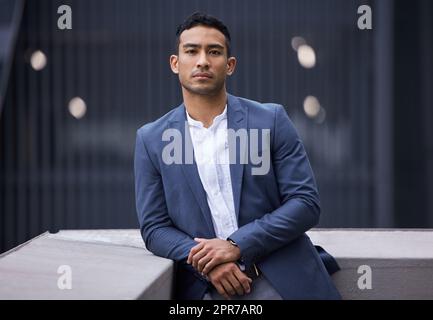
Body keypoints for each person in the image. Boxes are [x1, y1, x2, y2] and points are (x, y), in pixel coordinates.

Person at [134, 12, 341, 300]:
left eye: (214, 51)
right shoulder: (151, 139)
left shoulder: (271, 120)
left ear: (229, 65)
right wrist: (208, 263)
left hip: (283, 278)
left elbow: (305, 203)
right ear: (175, 63)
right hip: (206, 287)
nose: (203, 60)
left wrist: (236, 245)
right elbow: (155, 228)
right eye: (191, 51)